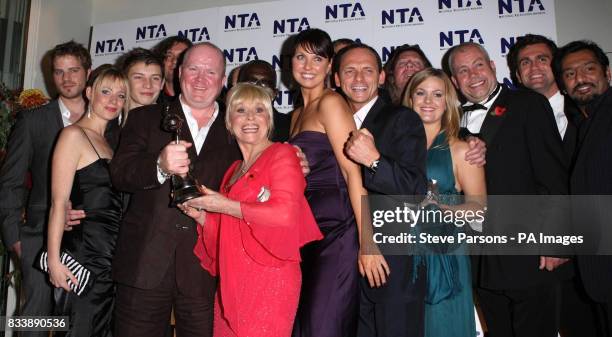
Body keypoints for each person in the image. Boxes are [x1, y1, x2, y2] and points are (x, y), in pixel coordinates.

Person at [110, 42, 240, 337]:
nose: (200, 78)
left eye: (210, 72)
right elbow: (119, 174)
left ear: (222, 81)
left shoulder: (238, 127)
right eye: (193, 69)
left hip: (207, 267)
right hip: (145, 263)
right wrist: (158, 164)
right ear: (180, 73)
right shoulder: (146, 117)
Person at [179, 83, 322, 337]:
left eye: (259, 110)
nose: (250, 118)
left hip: (271, 279)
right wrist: (201, 215)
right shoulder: (233, 170)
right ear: (228, 120)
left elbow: (285, 215)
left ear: (269, 118)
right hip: (233, 282)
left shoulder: (283, 154)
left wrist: (224, 205)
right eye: (240, 110)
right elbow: (228, 231)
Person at [449, 42, 570, 337]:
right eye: (462, 70)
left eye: (478, 65)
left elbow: (553, 175)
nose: (472, 75)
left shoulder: (528, 104)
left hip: (529, 251)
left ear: (493, 66)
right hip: (479, 258)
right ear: (454, 81)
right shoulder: (450, 120)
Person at [507, 34, 599, 337]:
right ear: (517, 75)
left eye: (542, 59)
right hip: (535, 256)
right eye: (525, 62)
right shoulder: (508, 120)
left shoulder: (586, 110)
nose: (534, 67)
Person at [334, 42, 428, 337]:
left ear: (382, 77)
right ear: (336, 79)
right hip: (341, 267)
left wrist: (374, 161)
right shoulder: (330, 122)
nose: (359, 78)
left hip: (391, 263)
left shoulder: (402, 118)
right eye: (349, 71)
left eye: (367, 70)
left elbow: (416, 190)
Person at [0, 40, 91, 337]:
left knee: (81, 322)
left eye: (74, 70)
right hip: (38, 237)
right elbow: (10, 181)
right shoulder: (33, 121)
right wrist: (15, 238)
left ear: (88, 73)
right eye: (59, 72)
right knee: (34, 322)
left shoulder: (107, 120)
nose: (66, 78)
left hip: (91, 242)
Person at [288, 28, 365, 337]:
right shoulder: (295, 115)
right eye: (301, 57)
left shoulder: (331, 102)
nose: (308, 66)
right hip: (307, 232)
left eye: (317, 58)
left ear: (330, 65)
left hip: (338, 230)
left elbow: (352, 173)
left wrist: (368, 244)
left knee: (323, 326)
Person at [402, 68, 486, 337]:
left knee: (443, 325)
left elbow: (479, 208)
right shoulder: (395, 145)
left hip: (444, 251)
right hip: (402, 253)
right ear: (410, 98)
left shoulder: (461, 148)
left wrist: (441, 213)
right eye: (421, 93)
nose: (428, 101)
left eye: (437, 94)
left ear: (447, 101)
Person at [46, 67, 128, 336]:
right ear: (90, 92)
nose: (113, 100)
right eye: (106, 91)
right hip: (82, 258)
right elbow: (58, 204)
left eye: (121, 95)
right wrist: (56, 262)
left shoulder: (109, 144)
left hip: (109, 259)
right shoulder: (73, 136)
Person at [554, 40, 612, 337]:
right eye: (570, 74)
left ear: (607, 72)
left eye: (589, 69)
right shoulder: (586, 123)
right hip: (598, 271)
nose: (581, 79)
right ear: (563, 85)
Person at [237, 59, 291, 142]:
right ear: (238, 88)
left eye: (265, 84)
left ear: (275, 93)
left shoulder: (289, 126)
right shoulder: (225, 123)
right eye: (251, 82)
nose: (258, 88)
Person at [118, 47, 165, 115]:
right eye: (138, 77)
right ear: (124, 81)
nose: (148, 85)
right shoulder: (108, 121)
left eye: (155, 78)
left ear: (162, 84)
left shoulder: (173, 121)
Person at [152, 36, 192, 103]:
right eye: (169, 56)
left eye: (181, 56)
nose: (175, 61)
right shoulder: (149, 98)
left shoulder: (203, 99)